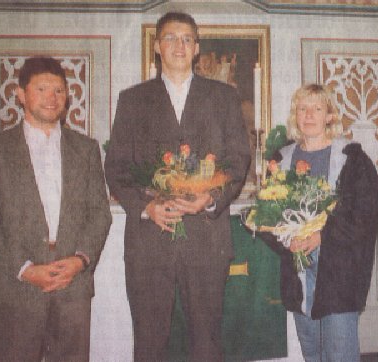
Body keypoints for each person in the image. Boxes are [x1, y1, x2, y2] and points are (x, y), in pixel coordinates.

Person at [104, 12, 251, 361]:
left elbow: (238, 160)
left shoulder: (224, 97)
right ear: (157, 46)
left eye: (187, 39)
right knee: (150, 342)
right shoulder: (133, 99)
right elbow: (117, 167)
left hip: (206, 240)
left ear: (197, 48)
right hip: (149, 242)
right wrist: (146, 206)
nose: (179, 45)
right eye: (170, 38)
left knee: (207, 341)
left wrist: (210, 198)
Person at [0, 56, 112, 361]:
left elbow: (99, 213)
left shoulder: (86, 149)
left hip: (73, 290)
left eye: (58, 90)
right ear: (20, 94)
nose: (51, 98)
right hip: (17, 291)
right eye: (41, 89)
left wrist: (80, 260)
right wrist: (25, 269)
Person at [266, 84, 378, 362]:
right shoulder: (282, 160)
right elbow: (267, 212)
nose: (308, 114)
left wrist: (321, 236)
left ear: (329, 115)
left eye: (317, 108)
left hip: (339, 272)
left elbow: (365, 213)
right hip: (299, 272)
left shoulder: (352, 158)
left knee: (340, 354)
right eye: (302, 108)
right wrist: (285, 238)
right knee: (313, 354)